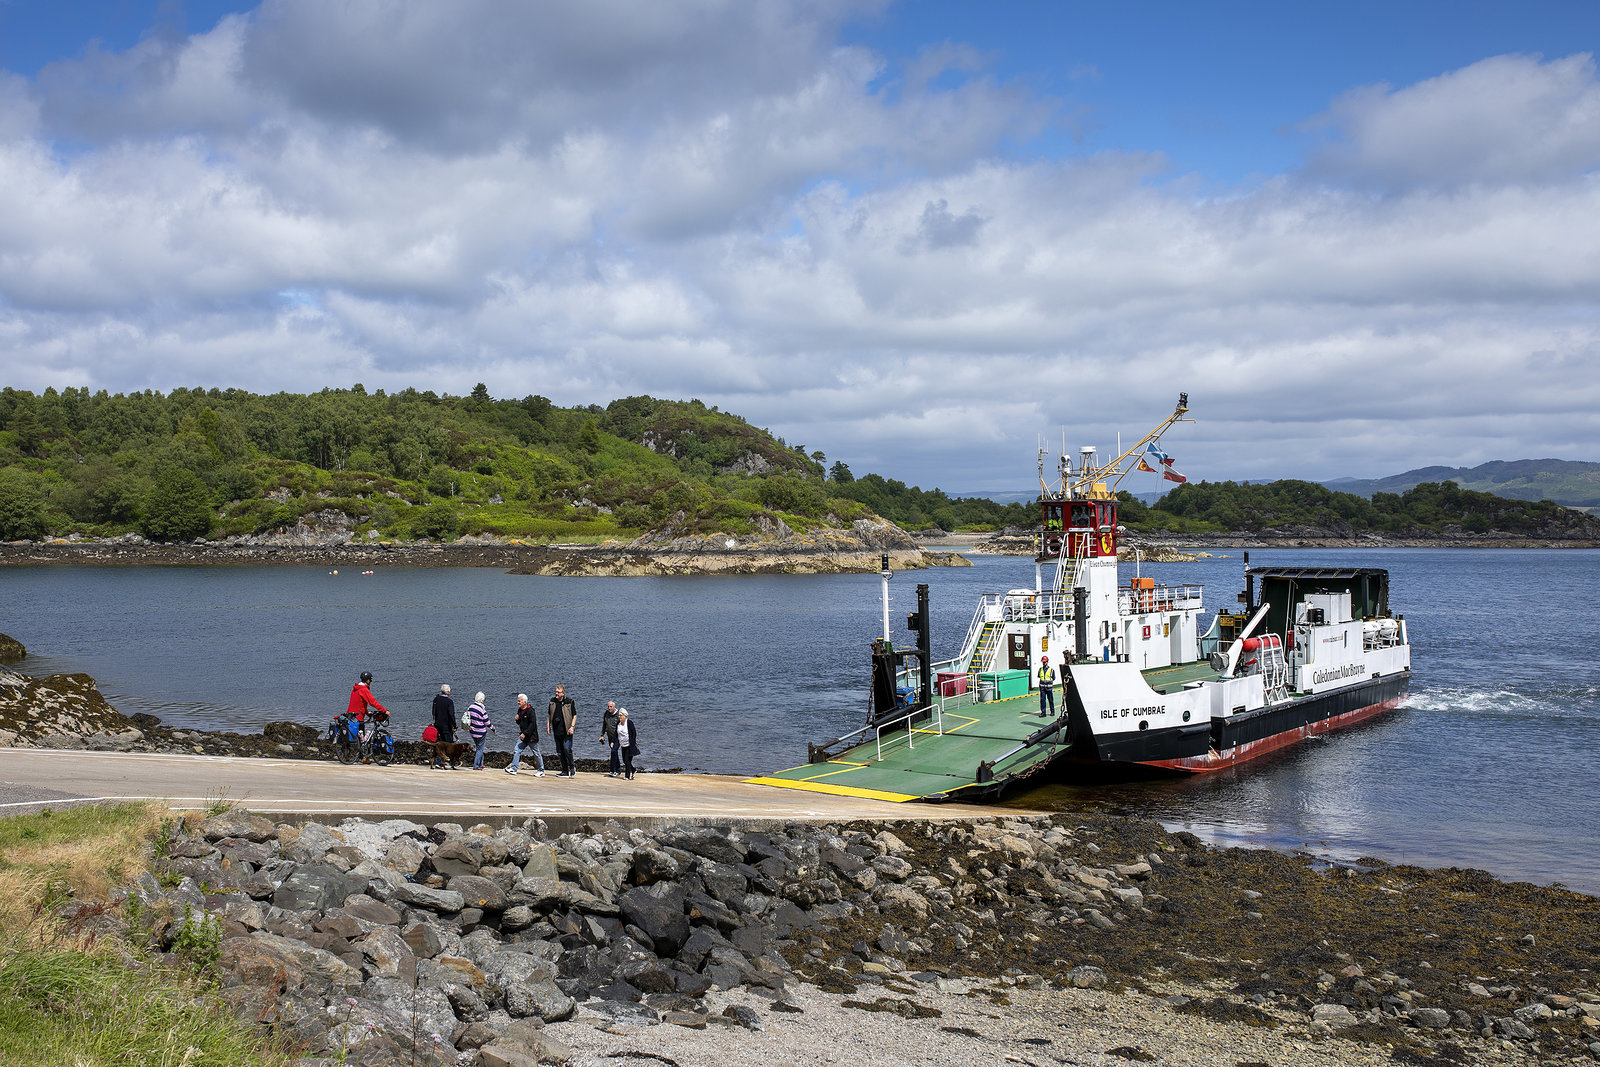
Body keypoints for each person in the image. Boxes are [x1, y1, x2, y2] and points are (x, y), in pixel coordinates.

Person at [347, 671, 388, 763]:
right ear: (368, 680)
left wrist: (366, 712)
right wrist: (384, 711)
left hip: (350, 715)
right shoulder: (363, 689)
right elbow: (372, 702)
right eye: (370, 680)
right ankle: (364, 758)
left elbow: (359, 703)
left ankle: (346, 754)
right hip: (358, 717)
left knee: (356, 736)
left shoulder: (355, 689)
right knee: (363, 739)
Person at [508, 693, 545, 776]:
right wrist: (517, 720)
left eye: (519, 701)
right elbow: (520, 723)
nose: (518, 702)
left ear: (524, 702)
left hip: (532, 737)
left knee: (536, 753)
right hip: (523, 737)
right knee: (517, 750)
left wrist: (525, 733)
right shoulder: (520, 710)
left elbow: (532, 725)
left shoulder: (531, 711)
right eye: (517, 701)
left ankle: (541, 770)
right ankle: (514, 768)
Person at [548, 684, 577, 778]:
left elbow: (574, 715)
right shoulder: (552, 701)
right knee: (559, 752)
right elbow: (549, 714)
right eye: (555, 691)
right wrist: (548, 726)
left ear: (563, 693)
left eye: (558, 692)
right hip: (557, 731)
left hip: (567, 730)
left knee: (567, 749)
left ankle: (572, 768)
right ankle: (565, 771)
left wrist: (572, 727)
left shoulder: (569, 702)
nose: (556, 693)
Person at [431, 684, 456, 769]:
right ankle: (454, 762)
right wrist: (454, 725)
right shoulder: (449, 702)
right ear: (448, 692)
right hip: (446, 725)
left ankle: (438, 762)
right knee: (450, 744)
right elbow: (451, 715)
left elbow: (433, 712)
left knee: (440, 744)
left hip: (438, 725)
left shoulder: (436, 699)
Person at [468, 692, 495, 770]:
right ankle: (476, 766)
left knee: (479, 747)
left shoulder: (470, 707)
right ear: (482, 700)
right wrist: (493, 728)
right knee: (480, 749)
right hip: (480, 732)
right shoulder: (482, 709)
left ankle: (480, 764)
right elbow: (487, 722)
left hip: (472, 731)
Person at [615, 707, 641, 780]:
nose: (619, 717)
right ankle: (633, 770)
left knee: (627, 760)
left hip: (629, 745)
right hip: (623, 745)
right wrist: (613, 741)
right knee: (625, 760)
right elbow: (616, 734)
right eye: (619, 715)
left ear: (624, 716)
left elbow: (634, 733)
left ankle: (627, 776)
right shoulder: (618, 724)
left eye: (620, 715)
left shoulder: (629, 723)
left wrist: (632, 741)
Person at [599, 700, 621, 777]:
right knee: (614, 752)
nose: (609, 708)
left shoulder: (618, 715)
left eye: (610, 706)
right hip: (610, 737)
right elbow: (604, 725)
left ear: (614, 707)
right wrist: (602, 735)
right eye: (608, 706)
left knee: (614, 751)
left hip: (618, 737)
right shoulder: (606, 713)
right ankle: (614, 770)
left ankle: (615, 770)